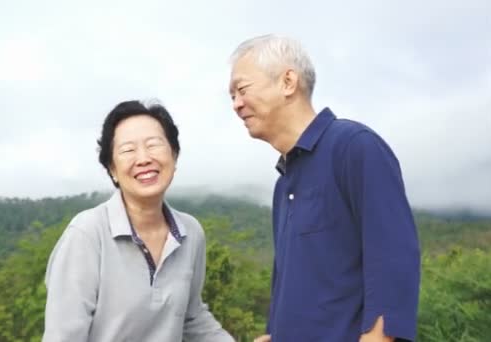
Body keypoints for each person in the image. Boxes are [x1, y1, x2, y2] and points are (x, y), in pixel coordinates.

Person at [228, 34, 421, 341]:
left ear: (288, 82)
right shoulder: (283, 185)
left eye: (241, 89)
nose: (236, 104)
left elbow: (394, 261)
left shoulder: (354, 148)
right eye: (232, 97)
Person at [42, 100, 233, 341]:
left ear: (174, 155)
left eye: (153, 145)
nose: (143, 159)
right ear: (112, 168)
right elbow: (64, 335)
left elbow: (191, 318)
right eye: (128, 150)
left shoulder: (190, 233)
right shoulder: (88, 233)